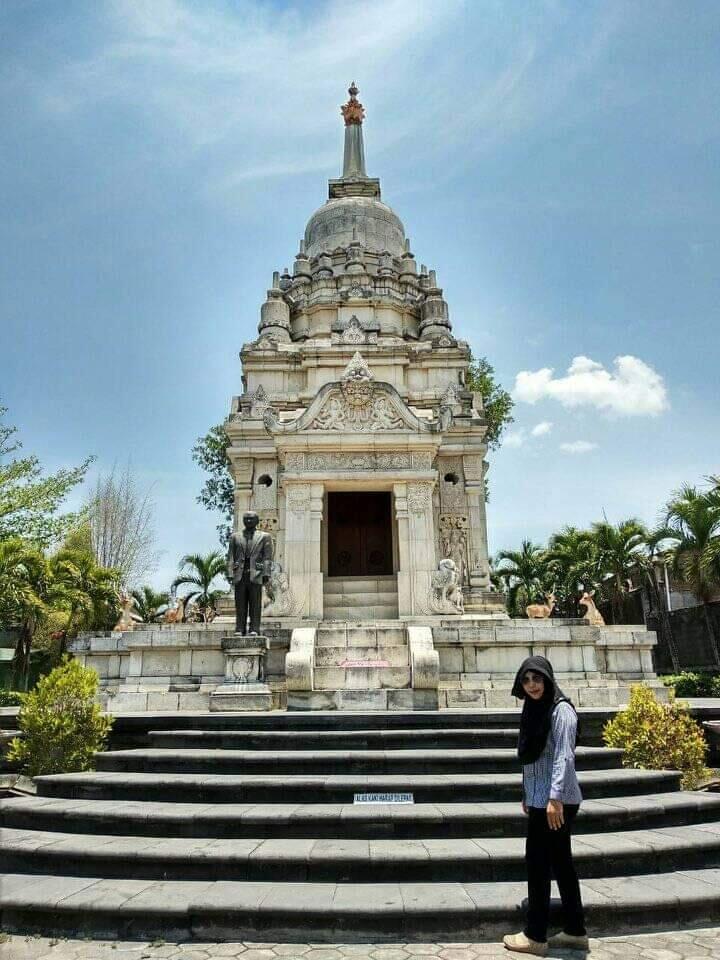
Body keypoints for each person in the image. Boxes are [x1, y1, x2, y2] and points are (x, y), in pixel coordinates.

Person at [503, 655, 589, 956]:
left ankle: (536, 936)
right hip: (542, 799)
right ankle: (575, 931)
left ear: (548, 679)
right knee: (562, 864)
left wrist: (553, 799)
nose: (531, 685)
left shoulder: (561, 710)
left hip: (557, 801)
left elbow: (564, 757)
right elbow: (533, 758)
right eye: (526, 680)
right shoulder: (535, 708)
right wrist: (528, 793)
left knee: (538, 866)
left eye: (537, 679)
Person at [226, 511, 273, 635]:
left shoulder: (264, 536)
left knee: (255, 604)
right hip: (239, 573)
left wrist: (266, 573)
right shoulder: (235, 537)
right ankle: (240, 628)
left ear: (257, 521)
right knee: (240, 604)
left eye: (251, 519)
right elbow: (230, 556)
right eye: (246, 519)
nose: (248, 521)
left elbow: (267, 557)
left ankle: (254, 629)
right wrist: (230, 572)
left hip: (256, 573)